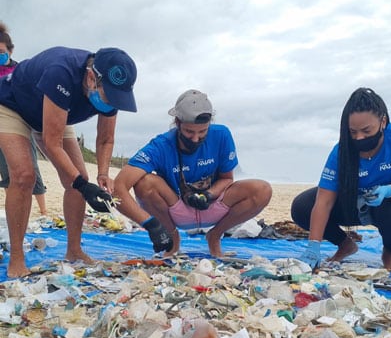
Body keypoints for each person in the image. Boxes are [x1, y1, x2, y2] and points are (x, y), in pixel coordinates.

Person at [0, 45, 137, 277]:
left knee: (77, 179)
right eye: (110, 97)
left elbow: (105, 139)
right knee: (24, 177)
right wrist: (84, 186)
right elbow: (52, 143)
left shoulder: (111, 92)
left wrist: (102, 173)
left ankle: (74, 250)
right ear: (92, 77)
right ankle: (17, 259)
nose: (112, 104)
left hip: (55, 112)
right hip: (13, 104)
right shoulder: (61, 71)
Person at [113, 89, 272, 257]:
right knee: (145, 183)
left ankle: (215, 236)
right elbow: (118, 188)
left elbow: (227, 179)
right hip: (176, 208)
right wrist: (150, 224)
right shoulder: (160, 145)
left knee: (262, 190)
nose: (196, 139)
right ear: (177, 122)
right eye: (189, 132)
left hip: (212, 205)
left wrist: (209, 195)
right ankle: (173, 240)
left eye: (202, 132)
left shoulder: (222, 135)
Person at [291, 87, 391, 272]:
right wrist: (313, 246)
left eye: (366, 130)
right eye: (353, 132)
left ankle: (390, 253)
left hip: (389, 204)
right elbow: (323, 201)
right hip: (353, 205)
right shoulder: (341, 151)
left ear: (383, 122)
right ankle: (345, 245)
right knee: (302, 206)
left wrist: (388, 190)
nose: (359, 137)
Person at [0, 22, 48, 215]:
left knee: (30, 169)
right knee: (7, 170)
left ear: (11, 51)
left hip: (19, 124)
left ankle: (44, 210)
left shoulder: (20, 70)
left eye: (2, 52)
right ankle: (13, 207)